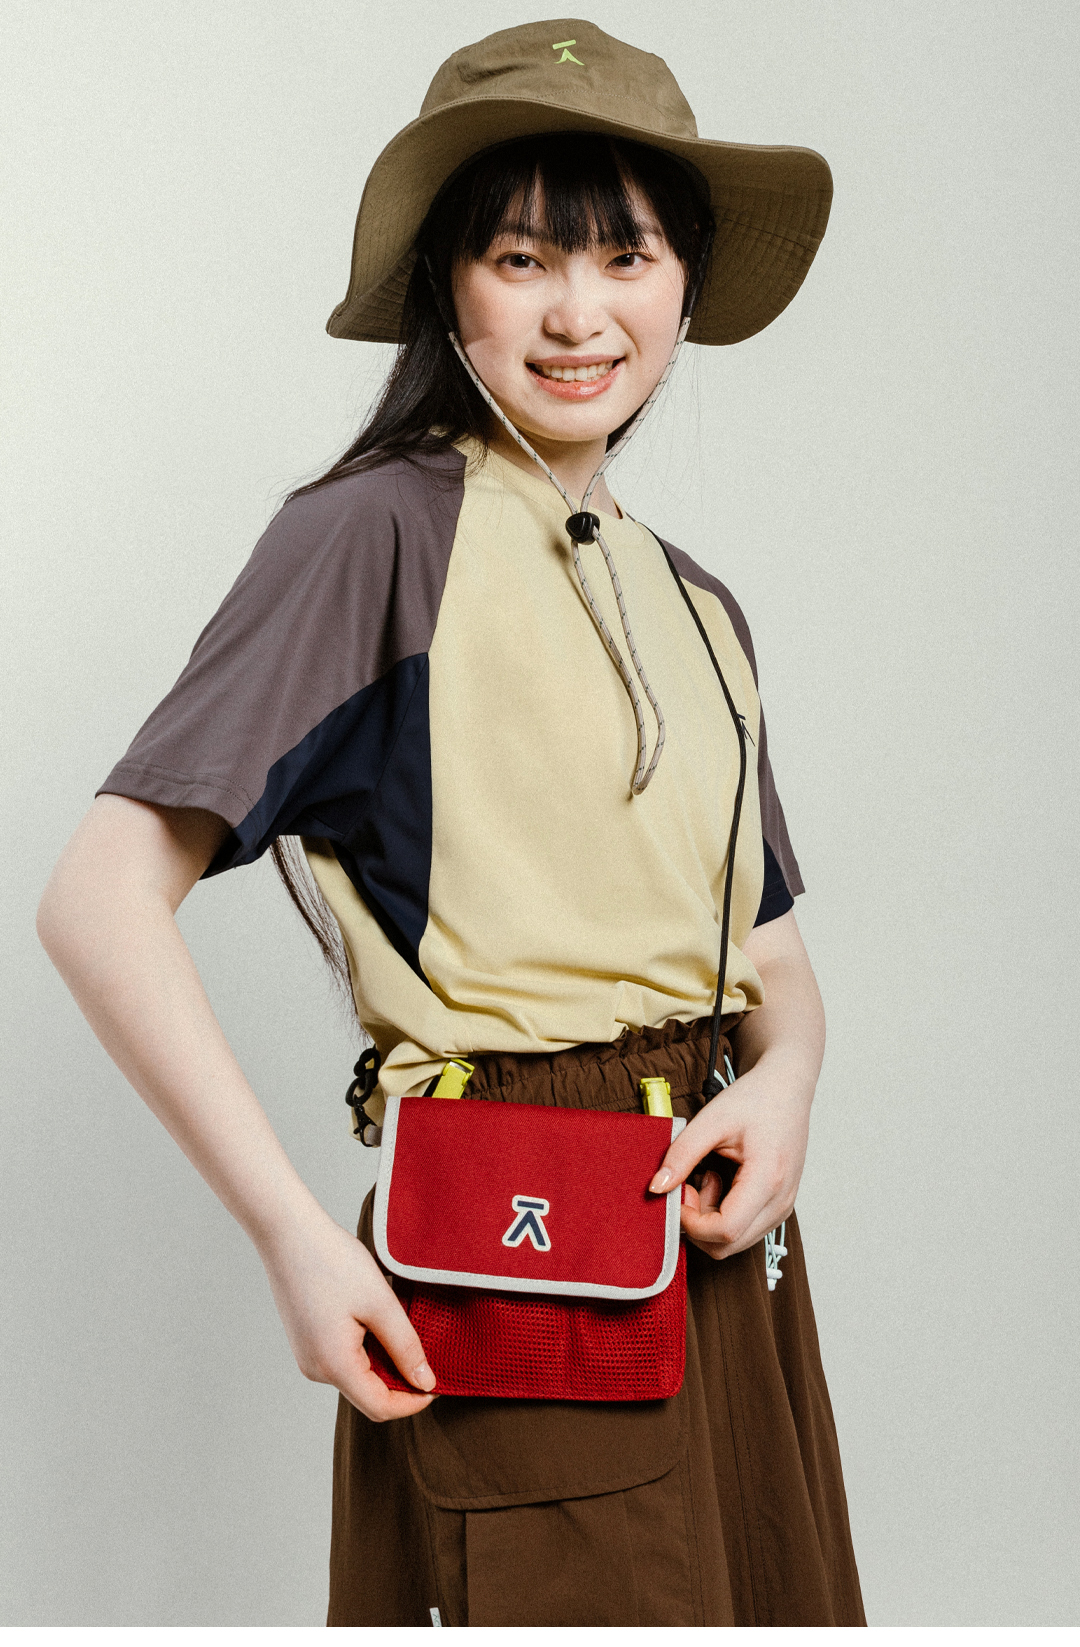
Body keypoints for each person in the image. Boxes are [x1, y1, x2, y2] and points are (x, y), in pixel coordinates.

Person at [37, 18, 865, 1629]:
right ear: (448, 284)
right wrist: (292, 1236)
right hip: (522, 1236)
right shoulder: (377, 537)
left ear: (684, 281)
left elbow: (768, 955)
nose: (579, 313)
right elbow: (97, 899)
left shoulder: (701, 605)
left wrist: (791, 1082)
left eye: (625, 256)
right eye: (521, 256)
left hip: (725, 1260)